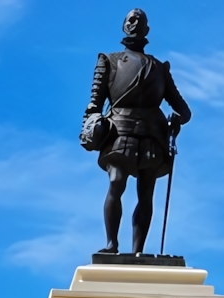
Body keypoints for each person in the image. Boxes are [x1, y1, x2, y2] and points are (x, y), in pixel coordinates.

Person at [82, 9, 191, 255]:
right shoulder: (109, 60)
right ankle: (112, 244)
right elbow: (95, 102)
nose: (135, 23)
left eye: (140, 21)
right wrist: (91, 124)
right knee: (116, 181)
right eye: (131, 19)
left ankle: (138, 250)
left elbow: (183, 109)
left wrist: (178, 119)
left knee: (146, 192)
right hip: (119, 129)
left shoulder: (160, 68)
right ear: (124, 26)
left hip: (152, 132)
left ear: (147, 30)